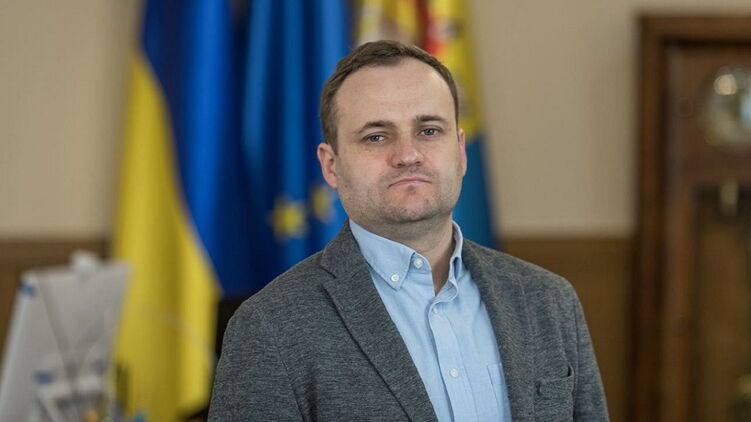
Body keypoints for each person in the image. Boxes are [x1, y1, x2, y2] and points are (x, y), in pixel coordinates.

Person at [208, 40, 608, 421]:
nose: (408, 155)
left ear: (460, 151)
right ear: (331, 166)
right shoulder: (268, 327)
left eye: (429, 130)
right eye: (376, 136)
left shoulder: (550, 302)